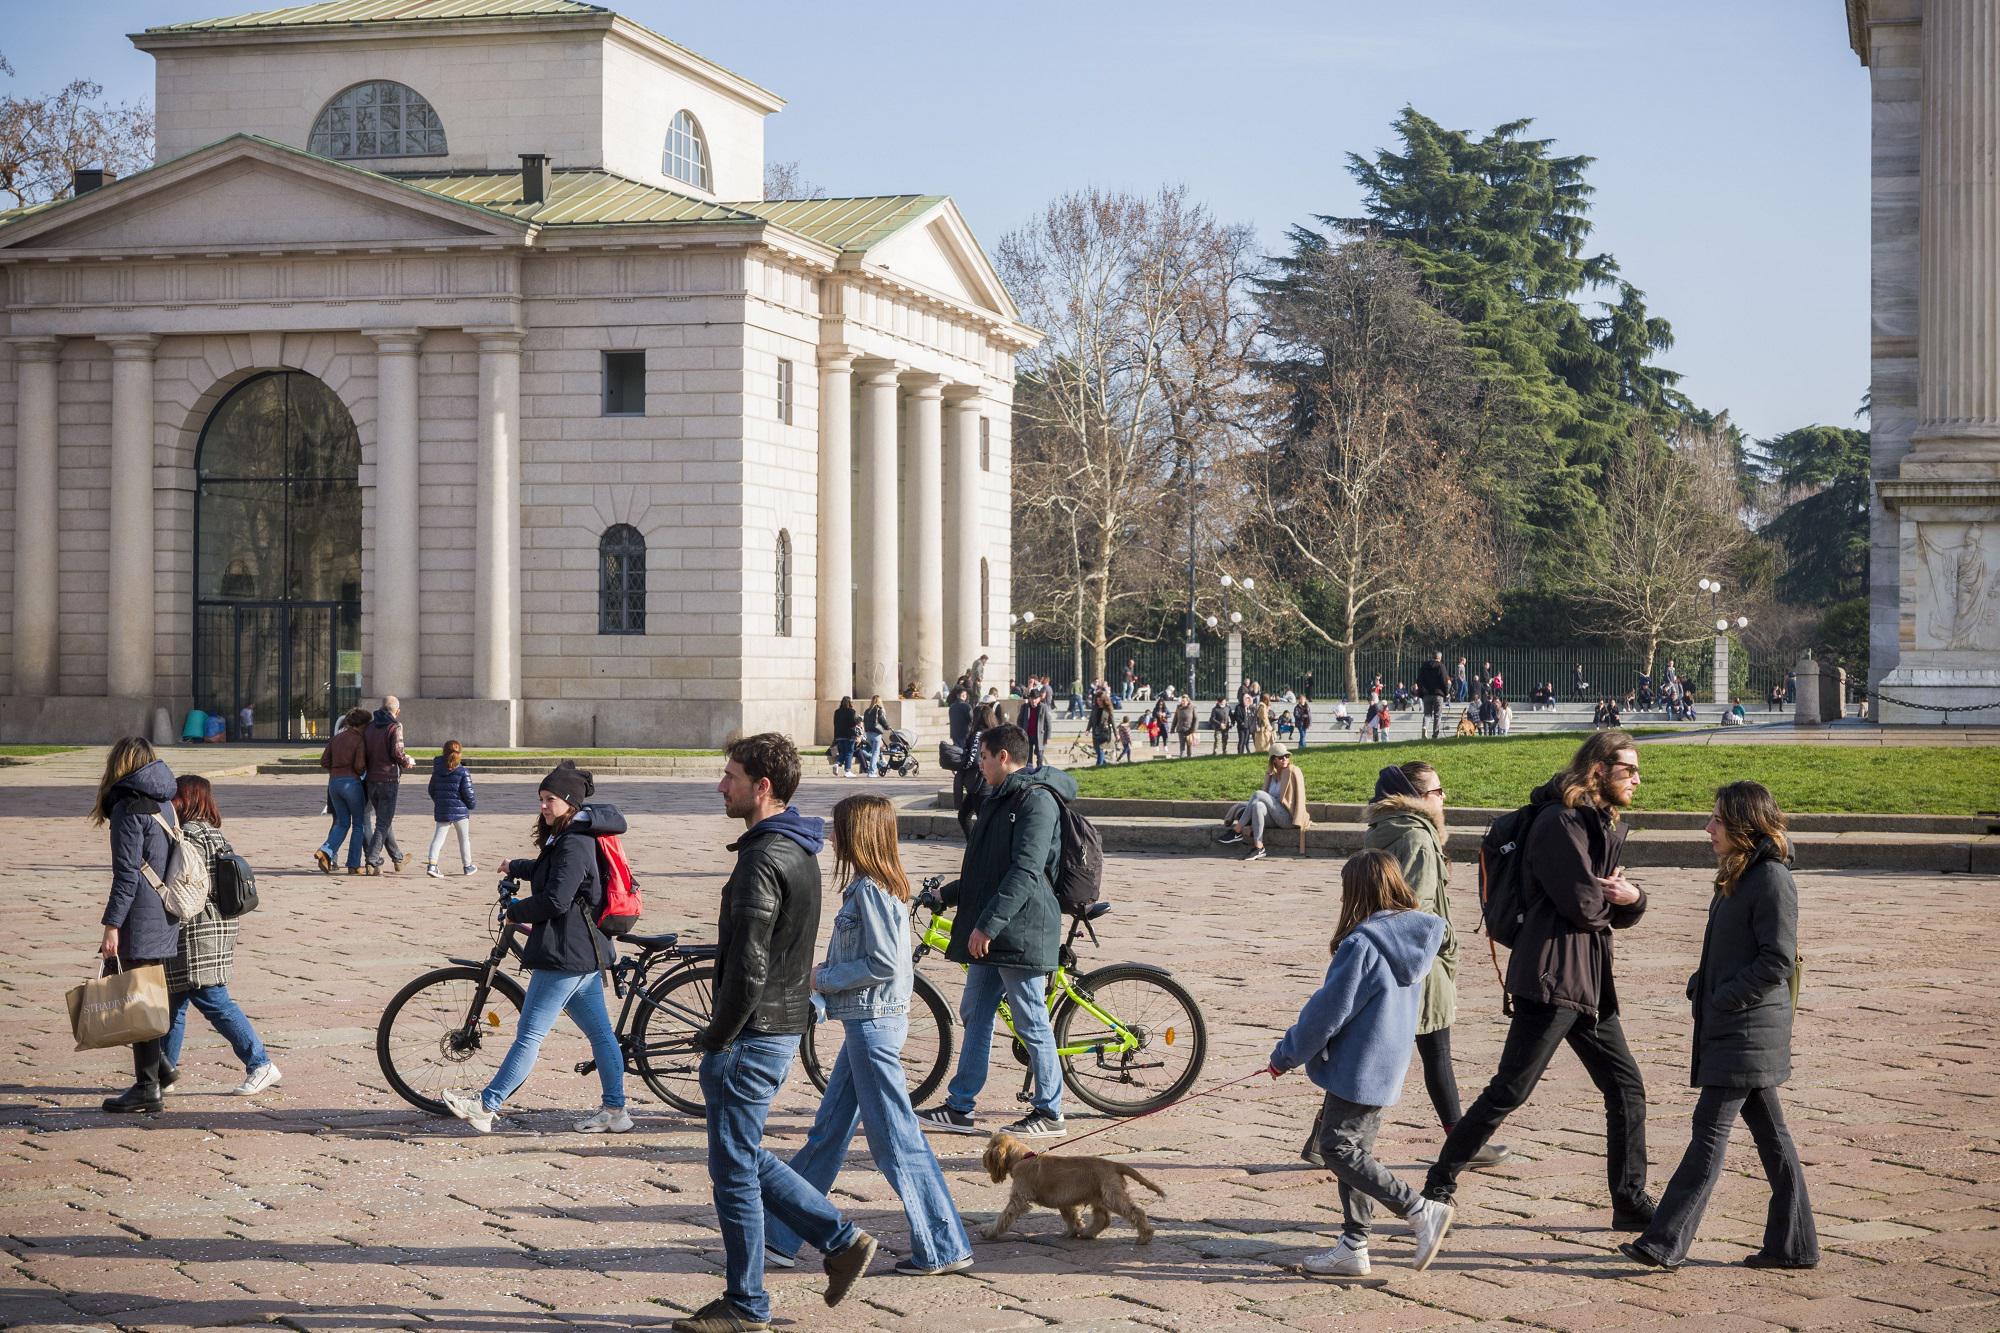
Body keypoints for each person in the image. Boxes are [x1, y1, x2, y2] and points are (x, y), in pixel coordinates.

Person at [679, 735, 876, 1331]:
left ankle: (747, 1304)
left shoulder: (764, 856)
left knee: (732, 1171)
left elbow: (748, 965)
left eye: (731, 776)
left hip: (754, 1031)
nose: (721, 786)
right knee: (739, 1154)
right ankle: (839, 1241)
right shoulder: (798, 846)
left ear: (762, 787)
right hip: (781, 1024)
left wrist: (719, 1035)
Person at [1423, 731, 1655, 1230]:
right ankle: (1438, 1183)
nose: (1637, 779)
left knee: (1626, 1089)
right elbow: (1587, 906)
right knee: (1509, 1090)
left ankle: (1630, 1202)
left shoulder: (1597, 822)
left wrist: (1632, 899)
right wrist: (1621, 898)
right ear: (1598, 770)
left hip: (1588, 981)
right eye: (1628, 770)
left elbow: (1612, 905)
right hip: (1551, 980)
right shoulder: (1559, 823)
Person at [763, 795, 974, 1278]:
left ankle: (943, 1244)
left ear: (858, 835)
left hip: (874, 1027)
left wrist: (824, 978)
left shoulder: (872, 891)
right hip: (868, 1023)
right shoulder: (875, 885)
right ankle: (780, 1236)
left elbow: (882, 964)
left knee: (895, 1141)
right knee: (828, 1133)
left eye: (839, 828)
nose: (831, 836)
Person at [1620, 782, 1818, 1273]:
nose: (1708, 829)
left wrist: (1724, 995)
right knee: (1774, 1142)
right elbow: (1738, 949)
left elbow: (1777, 958)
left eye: (1717, 821)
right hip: (1736, 1026)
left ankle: (1665, 1241)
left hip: (1746, 1029)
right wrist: (1702, 982)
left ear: (1744, 826)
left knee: (1708, 1134)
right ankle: (1795, 1246)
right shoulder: (1740, 874)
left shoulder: (1770, 878)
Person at [1306, 764, 1507, 1170]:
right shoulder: (1417, 837)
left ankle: (1320, 1139)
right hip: (1417, 962)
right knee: (1435, 1053)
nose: (1443, 797)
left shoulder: (1388, 829)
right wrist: (1448, 940)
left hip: (1388, 957)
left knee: (1373, 1050)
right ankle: (1462, 1144)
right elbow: (1418, 909)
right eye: (1437, 790)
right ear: (1417, 797)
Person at [1268, 849, 1456, 1277]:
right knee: (1355, 1150)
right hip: (1386, 1062)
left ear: (1357, 891)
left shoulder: (1363, 943)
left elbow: (1328, 1012)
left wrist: (1286, 1055)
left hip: (1357, 1064)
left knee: (1337, 1148)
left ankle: (1417, 1207)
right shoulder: (1413, 937)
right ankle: (1354, 1245)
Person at [440, 761, 629, 1135]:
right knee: (602, 1035)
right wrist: (517, 866)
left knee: (530, 1034)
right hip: (583, 954)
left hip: (564, 954)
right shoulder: (568, 835)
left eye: (550, 799)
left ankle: (486, 1105)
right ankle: (615, 1110)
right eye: (541, 798)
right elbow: (551, 872)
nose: (543, 805)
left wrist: (516, 911)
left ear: (570, 802)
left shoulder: (574, 842)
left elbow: (557, 899)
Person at [918, 723, 1074, 1138]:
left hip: (1021, 928)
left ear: (1003, 756)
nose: (979, 766)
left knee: (1031, 1020)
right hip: (996, 930)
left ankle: (1050, 1110)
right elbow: (983, 871)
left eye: (983, 757)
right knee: (976, 1012)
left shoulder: (1036, 801)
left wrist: (987, 924)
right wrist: (944, 897)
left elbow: (1025, 871)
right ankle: (960, 1106)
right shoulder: (999, 796)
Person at [163, 775, 281, 1096]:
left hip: (198, 927)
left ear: (187, 799)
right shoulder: (214, 832)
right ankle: (163, 1072)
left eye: (175, 797)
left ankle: (260, 1063)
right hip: (220, 923)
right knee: (174, 1001)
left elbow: (182, 884)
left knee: (211, 997)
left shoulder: (187, 834)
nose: (170, 803)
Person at [91, 738, 182, 1114]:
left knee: (141, 999)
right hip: (164, 910)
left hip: (140, 914)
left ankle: (148, 1087)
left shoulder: (129, 808)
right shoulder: (165, 804)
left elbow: (126, 875)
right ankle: (160, 1069)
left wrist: (112, 924)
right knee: (147, 995)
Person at [1219, 746, 1308, 862]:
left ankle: (1236, 831)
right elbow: (1261, 800)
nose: (1285, 759)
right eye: (1281, 757)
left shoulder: (1292, 771)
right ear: (1274, 759)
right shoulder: (1271, 775)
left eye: (1287, 756)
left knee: (1258, 794)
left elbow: (1300, 798)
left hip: (1287, 818)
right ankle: (1259, 847)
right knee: (1258, 805)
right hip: (1272, 817)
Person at [361, 695, 416, 875]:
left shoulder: (369, 727)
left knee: (385, 821)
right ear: (397, 711)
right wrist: (406, 761)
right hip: (388, 779)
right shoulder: (394, 727)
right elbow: (397, 752)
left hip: (371, 779)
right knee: (384, 822)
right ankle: (372, 859)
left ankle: (397, 858)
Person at [315, 706, 372, 874]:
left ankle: (326, 850)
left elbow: (324, 761)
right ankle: (353, 864)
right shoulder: (359, 740)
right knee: (358, 824)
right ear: (361, 725)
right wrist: (362, 771)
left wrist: (336, 769)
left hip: (334, 783)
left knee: (341, 822)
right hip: (351, 783)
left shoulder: (337, 738)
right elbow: (359, 766)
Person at [424, 739, 478, 878]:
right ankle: (467, 866)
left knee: (438, 837)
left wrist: (440, 801)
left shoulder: (437, 770)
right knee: (464, 839)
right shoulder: (462, 771)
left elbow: (431, 789)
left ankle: (432, 865)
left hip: (443, 809)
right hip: (460, 810)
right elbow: (468, 792)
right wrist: (471, 804)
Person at [1417, 652, 1449, 739]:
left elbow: (1419, 680)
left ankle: (1425, 727)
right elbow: (1444, 680)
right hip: (1438, 694)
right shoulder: (1441, 666)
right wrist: (1446, 692)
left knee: (1427, 714)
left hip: (1427, 694)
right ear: (1440, 657)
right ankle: (1435, 734)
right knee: (1437, 715)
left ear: (1432, 656)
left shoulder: (1424, 666)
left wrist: (1422, 692)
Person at [832, 695, 861, 777]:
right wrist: (858, 720)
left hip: (839, 735)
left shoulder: (837, 712)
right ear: (850, 703)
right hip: (849, 735)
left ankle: (837, 764)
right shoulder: (851, 711)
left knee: (843, 752)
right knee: (849, 752)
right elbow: (852, 723)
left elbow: (835, 723)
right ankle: (847, 770)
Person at [862, 694, 889, 777]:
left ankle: (873, 768)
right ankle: (872, 772)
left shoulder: (867, 711)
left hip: (868, 734)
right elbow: (882, 720)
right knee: (875, 753)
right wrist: (887, 727)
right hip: (876, 733)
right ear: (879, 701)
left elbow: (865, 722)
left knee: (874, 752)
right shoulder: (879, 710)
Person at [1089, 690, 1115, 767]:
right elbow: (1091, 719)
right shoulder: (1095, 708)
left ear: (1104, 700)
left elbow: (1113, 721)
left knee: (1100, 748)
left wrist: (1116, 734)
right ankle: (1104, 762)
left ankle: (1098, 765)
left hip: (1104, 731)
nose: (1098, 702)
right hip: (1095, 731)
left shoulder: (1108, 709)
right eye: (1097, 700)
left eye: (1100, 700)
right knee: (1096, 748)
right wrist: (1088, 729)